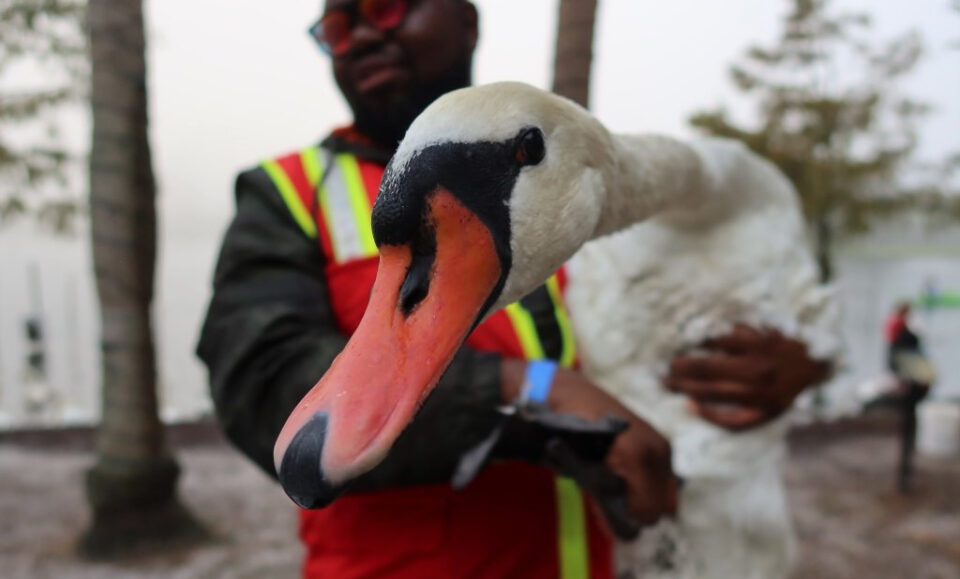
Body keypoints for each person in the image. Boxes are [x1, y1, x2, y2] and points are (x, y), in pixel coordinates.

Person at [197, 1, 829, 576]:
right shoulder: (286, 194)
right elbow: (261, 385)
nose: (361, 36)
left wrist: (789, 359)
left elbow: (659, 360)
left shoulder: (580, 187)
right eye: (337, 27)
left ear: (466, 21)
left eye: (386, 8)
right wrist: (534, 392)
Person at [884, 301, 935, 493]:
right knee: (908, 429)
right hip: (911, 391)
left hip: (907, 389)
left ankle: (905, 472)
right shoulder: (905, 337)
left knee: (907, 430)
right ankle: (905, 474)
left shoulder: (896, 336)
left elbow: (892, 361)